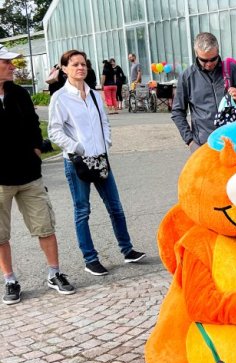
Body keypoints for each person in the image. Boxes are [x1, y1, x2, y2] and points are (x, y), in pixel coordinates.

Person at [48, 49, 146, 277]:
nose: (80, 68)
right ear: (64, 69)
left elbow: (104, 122)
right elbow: (54, 131)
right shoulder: (60, 98)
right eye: (74, 64)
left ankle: (127, 249)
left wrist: (106, 142)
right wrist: (77, 147)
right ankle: (90, 259)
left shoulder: (93, 94)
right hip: (77, 162)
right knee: (83, 210)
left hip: (100, 159)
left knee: (116, 207)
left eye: (83, 64)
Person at [0, 45, 75, 305]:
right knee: (0, 235)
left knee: (45, 227)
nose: (13, 66)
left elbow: (33, 124)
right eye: (7, 62)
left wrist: (35, 151)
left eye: (13, 62)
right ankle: (10, 280)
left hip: (29, 175)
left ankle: (54, 273)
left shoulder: (19, 93)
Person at [172, 32, 236, 153]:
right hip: (204, 146)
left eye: (213, 59)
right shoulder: (187, 76)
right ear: (196, 54)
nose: (209, 64)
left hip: (234, 143)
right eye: (204, 60)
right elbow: (177, 111)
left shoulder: (231, 69)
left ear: (218, 51)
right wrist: (190, 141)